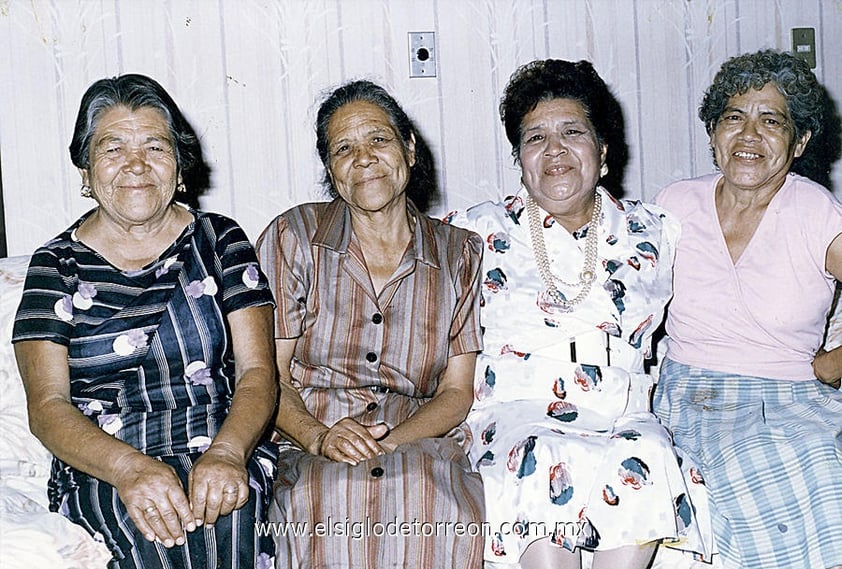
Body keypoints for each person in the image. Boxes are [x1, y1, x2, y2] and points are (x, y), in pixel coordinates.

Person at [447, 59, 714, 569]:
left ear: (604, 152)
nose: (555, 151)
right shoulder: (472, 231)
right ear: (519, 158)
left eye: (573, 132)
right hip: (517, 412)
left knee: (648, 452)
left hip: (622, 413)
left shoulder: (656, 229)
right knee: (539, 453)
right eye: (535, 138)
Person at [12, 74, 279, 569]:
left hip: (218, 443)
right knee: (156, 530)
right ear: (87, 172)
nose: (135, 164)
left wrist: (227, 454)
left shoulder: (220, 240)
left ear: (180, 168)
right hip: (106, 463)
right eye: (113, 148)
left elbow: (258, 373)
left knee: (228, 518)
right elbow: (47, 406)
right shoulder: (55, 266)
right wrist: (130, 470)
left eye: (154, 146)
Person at [255, 79, 485, 568]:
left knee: (434, 504)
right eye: (344, 148)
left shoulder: (459, 253)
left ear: (409, 148)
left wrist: (389, 443)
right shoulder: (294, 236)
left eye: (378, 139)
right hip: (312, 437)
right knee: (328, 502)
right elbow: (267, 376)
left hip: (418, 438)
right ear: (330, 170)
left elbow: (457, 391)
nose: (363, 158)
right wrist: (319, 437)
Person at [653, 49, 842, 569]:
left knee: (825, 477)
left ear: (799, 142)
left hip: (794, 399)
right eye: (734, 118)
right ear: (714, 134)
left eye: (771, 121)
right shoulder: (674, 204)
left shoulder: (815, 210)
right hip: (692, 392)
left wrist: (836, 360)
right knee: (742, 467)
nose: (749, 136)